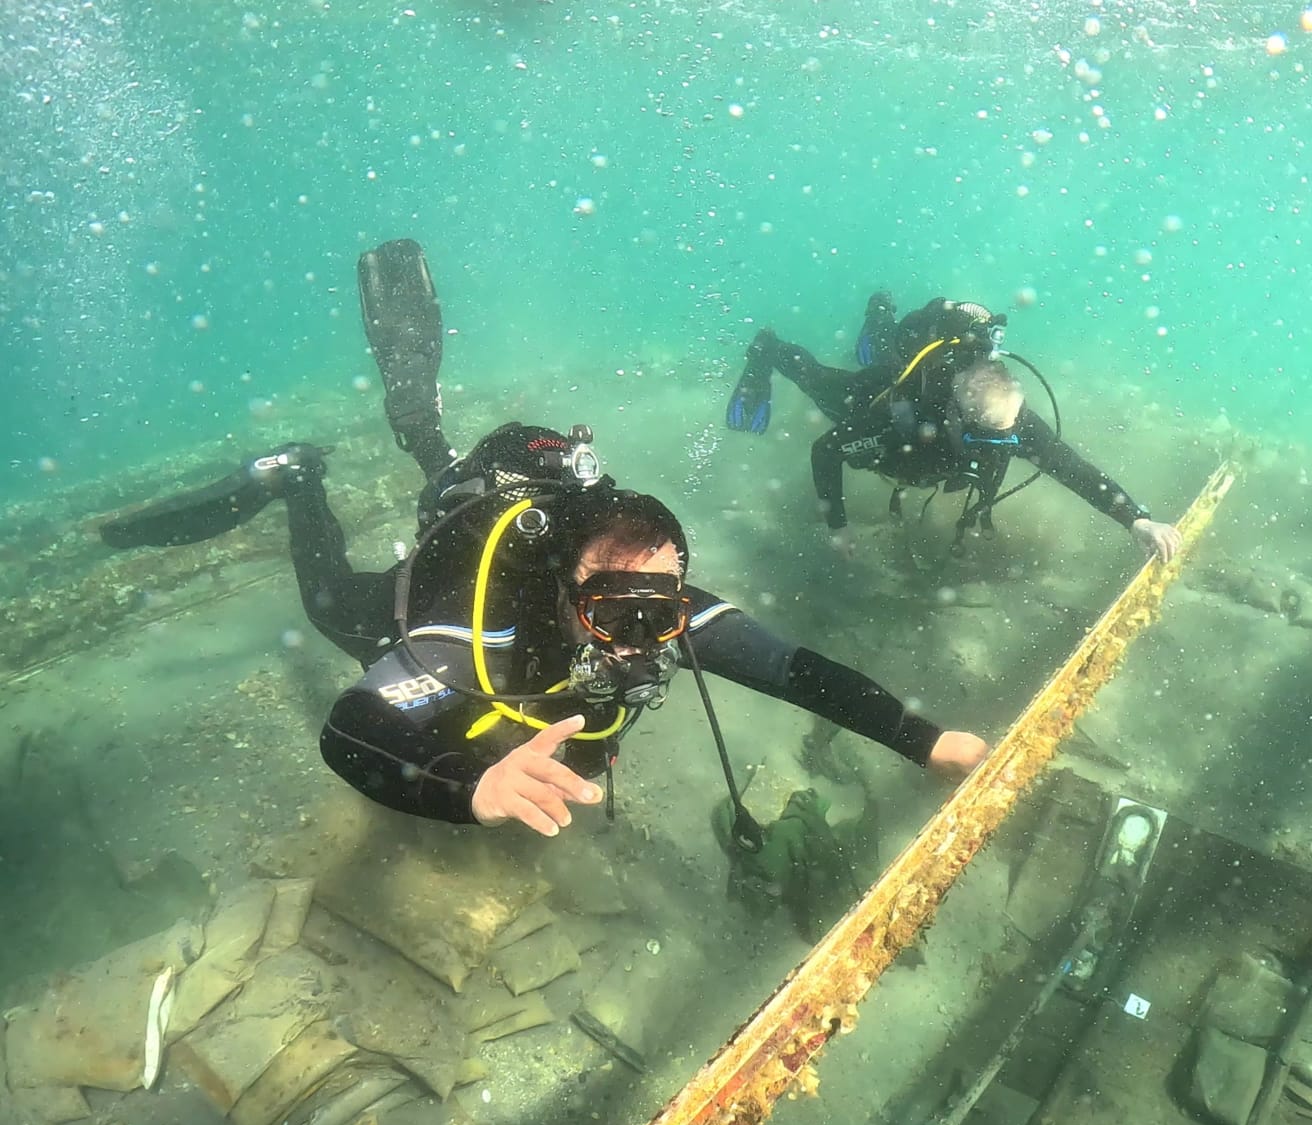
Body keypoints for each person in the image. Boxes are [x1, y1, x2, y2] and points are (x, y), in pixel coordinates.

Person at [98, 242, 989, 839]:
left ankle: (426, 442)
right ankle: (298, 479)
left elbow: (799, 672)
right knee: (336, 604)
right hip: (443, 572)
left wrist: (925, 741)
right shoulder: (469, 633)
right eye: (617, 611)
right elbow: (351, 733)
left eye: (663, 606)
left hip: (544, 557)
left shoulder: (656, 602)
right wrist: (465, 791)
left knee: (452, 475)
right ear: (566, 592)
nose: (647, 634)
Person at [724, 292, 1183, 562]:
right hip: (877, 392)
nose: (999, 449)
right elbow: (826, 451)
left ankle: (881, 316)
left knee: (883, 351)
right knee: (821, 379)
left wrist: (1135, 519)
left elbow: (1072, 468)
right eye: (986, 438)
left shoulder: (1010, 420)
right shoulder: (895, 417)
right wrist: (838, 527)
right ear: (956, 417)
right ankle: (770, 347)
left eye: (1008, 439)